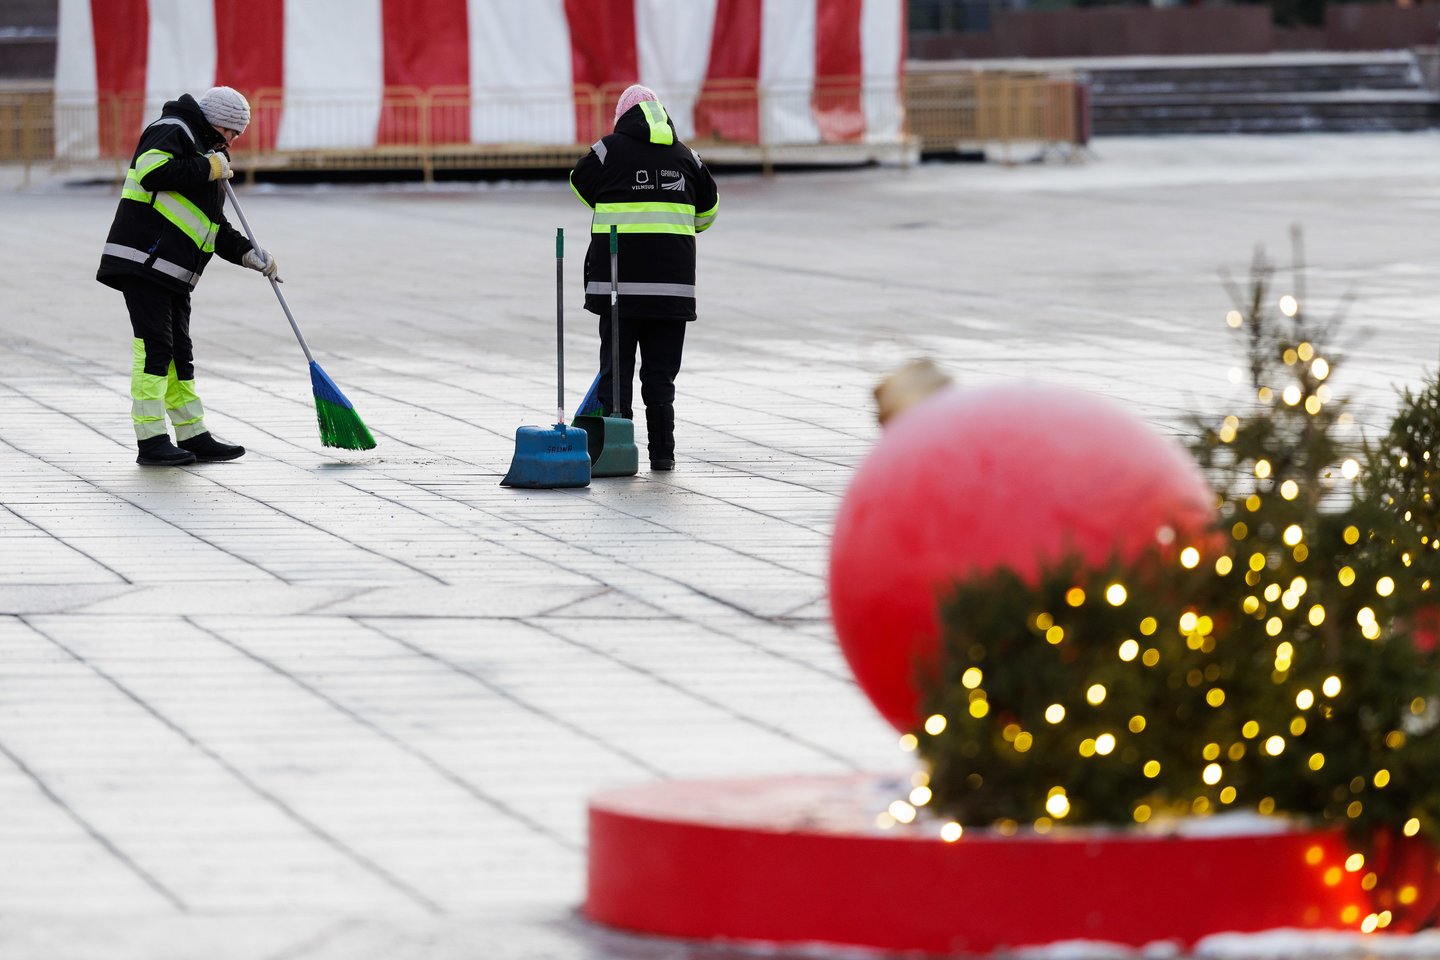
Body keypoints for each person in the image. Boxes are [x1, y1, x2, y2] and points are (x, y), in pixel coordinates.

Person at [97, 85, 280, 466]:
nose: (232, 141)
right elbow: (151, 171)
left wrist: (249, 253)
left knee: (180, 353)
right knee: (154, 350)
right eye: (231, 132)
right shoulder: (173, 128)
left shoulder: (207, 152)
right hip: (142, 260)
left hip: (172, 272)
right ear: (216, 122)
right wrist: (208, 167)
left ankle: (192, 434)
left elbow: (212, 226)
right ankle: (151, 441)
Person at [569, 84, 719, 471]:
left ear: (622, 117)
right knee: (660, 378)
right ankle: (663, 455)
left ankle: (618, 454)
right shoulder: (689, 158)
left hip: (618, 286)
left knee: (616, 374)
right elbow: (707, 215)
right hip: (672, 289)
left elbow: (579, 183)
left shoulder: (607, 150)